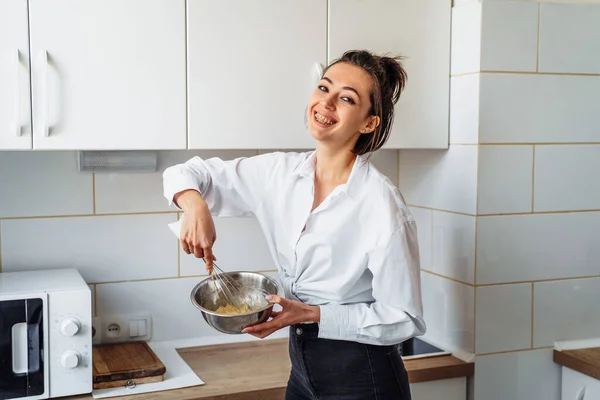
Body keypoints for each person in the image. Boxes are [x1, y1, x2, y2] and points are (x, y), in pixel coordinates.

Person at [162, 49, 426, 400]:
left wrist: (314, 314)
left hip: (365, 378)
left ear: (368, 123)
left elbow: (403, 317)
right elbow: (187, 173)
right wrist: (194, 204)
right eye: (323, 87)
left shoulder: (382, 206)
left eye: (346, 98)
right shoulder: (278, 174)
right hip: (302, 373)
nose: (326, 102)